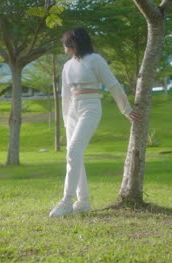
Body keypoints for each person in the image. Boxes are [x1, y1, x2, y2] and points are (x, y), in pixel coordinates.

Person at [49, 27, 139, 217]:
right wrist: (66, 121)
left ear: (75, 42)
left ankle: (66, 201)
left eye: (67, 41)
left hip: (90, 108)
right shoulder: (67, 66)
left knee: (74, 151)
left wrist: (126, 110)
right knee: (73, 154)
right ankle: (83, 202)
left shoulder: (95, 60)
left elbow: (113, 85)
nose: (64, 45)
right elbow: (65, 97)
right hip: (72, 110)